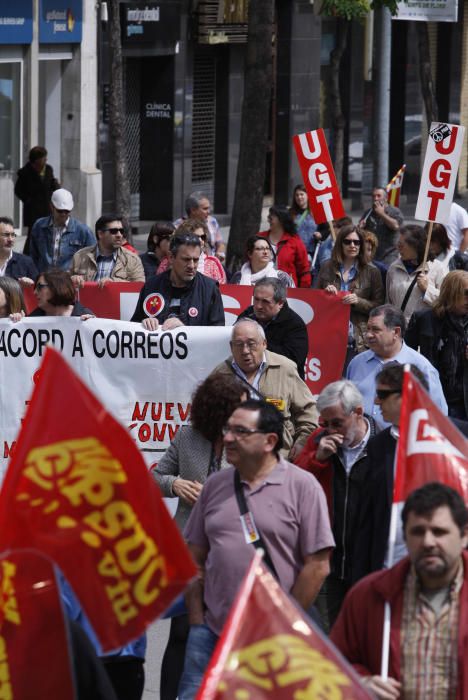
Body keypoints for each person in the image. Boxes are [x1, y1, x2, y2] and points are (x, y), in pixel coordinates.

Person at [179, 399, 334, 699]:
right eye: (227, 429)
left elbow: (318, 565)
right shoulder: (215, 486)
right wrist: (197, 621)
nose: (227, 438)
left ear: (270, 441)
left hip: (273, 642)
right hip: (211, 635)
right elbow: (194, 556)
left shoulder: (303, 487)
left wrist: (285, 621)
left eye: (239, 431)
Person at [154, 374, 246, 700]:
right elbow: (154, 477)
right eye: (232, 411)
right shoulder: (187, 436)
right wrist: (174, 484)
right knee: (182, 629)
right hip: (189, 548)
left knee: (222, 632)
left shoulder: (244, 441)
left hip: (229, 551)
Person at [331, 482, 468, 699]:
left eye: (439, 532)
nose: (428, 542)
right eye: (418, 531)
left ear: (464, 535)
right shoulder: (369, 596)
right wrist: (361, 683)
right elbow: (331, 666)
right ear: (404, 536)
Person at [295, 380, 379, 629]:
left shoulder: (380, 445)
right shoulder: (318, 441)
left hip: (366, 563)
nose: (331, 431)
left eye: (337, 423)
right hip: (327, 561)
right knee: (327, 640)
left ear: (358, 413)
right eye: (326, 424)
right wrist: (316, 459)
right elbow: (293, 486)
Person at [209, 318, 317, 458]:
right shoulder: (220, 374)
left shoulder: (285, 368)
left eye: (251, 344)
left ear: (264, 344)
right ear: (231, 347)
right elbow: (205, 417)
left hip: (278, 459)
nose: (245, 351)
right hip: (232, 462)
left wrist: (302, 442)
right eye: (239, 344)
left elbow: (308, 412)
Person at [346, 304, 447, 426]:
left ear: (396, 332)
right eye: (368, 329)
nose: (368, 335)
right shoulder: (356, 363)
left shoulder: (422, 368)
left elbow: (438, 417)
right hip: (361, 443)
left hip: (400, 443)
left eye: (376, 329)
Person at [406, 270, 468, 420]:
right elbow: (406, 356)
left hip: (464, 404)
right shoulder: (424, 318)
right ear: (451, 292)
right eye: (466, 293)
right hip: (432, 398)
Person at [131, 232, 225, 330]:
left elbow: (216, 333)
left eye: (196, 260)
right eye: (186, 259)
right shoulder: (151, 286)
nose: (191, 266)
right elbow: (133, 328)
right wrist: (143, 324)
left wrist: (184, 329)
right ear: (171, 258)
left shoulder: (210, 290)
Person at [317, 226, 384, 360]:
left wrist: (358, 301)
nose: (352, 245)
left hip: (358, 338)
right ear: (340, 243)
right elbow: (315, 301)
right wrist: (325, 294)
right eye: (347, 242)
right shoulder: (326, 267)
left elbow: (379, 307)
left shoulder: (372, 271)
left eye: (357, 242)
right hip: (330, 335)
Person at [238, 277, 308, 379]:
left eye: (265, 302)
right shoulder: (248, 315)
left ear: (280, 303)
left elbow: (293, 361)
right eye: (256, 299)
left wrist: (258, 344)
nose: (258, 306)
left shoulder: (295, 325)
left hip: (283, 384)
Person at [386, 225, 446, 324]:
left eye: (401, 245)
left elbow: (445, 304)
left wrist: (427, 289)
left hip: (423, 331)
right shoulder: (394, 268)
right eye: (398, 245)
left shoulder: (438, 268)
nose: (398, 249)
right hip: (397, 329)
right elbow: (388, 302)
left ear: (415, 246)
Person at [30, 188, 96, 272]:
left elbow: (93, 258)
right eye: (60, 211)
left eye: (67, 211)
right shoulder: (39, 226)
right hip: (44, 278)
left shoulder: (83, 231)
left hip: (69, 280)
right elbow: (33, 255)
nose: (63, 214)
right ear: (51, 206)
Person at [70, 215, 145, 285]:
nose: (119, 235)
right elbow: (67, 285)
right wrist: (72, 279)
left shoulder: (132, 259)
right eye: (114, 231)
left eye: (121, 231)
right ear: (100, 234)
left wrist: (114, 283)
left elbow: (139, 287)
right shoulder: (80, 256)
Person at [14, 145, 60, 253]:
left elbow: (52, 184)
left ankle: (47, 255)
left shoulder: (48, 169)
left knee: (48, 233)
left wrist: (56, 188)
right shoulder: (25, 173)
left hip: (47, 208)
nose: (46, 160)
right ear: (37, 160)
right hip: (33, 211)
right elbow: (18, 190)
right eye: (44, 158)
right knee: (33, 234)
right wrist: (28, 200)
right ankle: (27, 256)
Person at [156, 219, 226, 283]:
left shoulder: (213, 262)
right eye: (195, 237)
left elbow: (222, 290)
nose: (200, 240)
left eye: (203, 237)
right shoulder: (167, 262)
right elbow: (159, 285)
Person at [258, 205, 311, 287]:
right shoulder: (260, 238)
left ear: (281, 220)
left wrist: (303, 293)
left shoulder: (295, 241)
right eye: (269, 217)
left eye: (271, 217)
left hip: (288, 292)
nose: (269, 220)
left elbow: (304, 270)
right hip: (262, 289)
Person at [358, 187, 403, 264]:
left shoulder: (395, 212)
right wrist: (359, 228)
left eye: (379, 196)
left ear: (386, 198)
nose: (375, 198)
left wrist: (381, 214)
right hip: (372, 256)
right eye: (374, 196)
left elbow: (396, 226)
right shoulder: (368, 213)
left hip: (389, 256)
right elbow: (360, 233)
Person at [174, 192, 225, 259]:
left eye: (209, 208)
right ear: (193, 210)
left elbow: (220, 243)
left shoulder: (212, 221)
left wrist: (219, 254)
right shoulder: (178, 226)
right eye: (205, 209)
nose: (209, 211)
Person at [230, 235, 294, 287]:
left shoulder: (281, 277)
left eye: (267, 248)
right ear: (249, 254)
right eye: (260, 249)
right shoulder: (238, 277)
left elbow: (292, 301)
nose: (265, 252)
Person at [29, 268, 94, 318]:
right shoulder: (33, 318)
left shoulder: (84, 315)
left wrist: (90, 325)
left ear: (56, 287)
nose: (35, 292)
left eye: (40, 287)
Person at [0, 216, 37, 286]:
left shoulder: (25, 262)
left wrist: (31, 284)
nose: (10, 239)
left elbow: (38, 290)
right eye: (6, 235)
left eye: (13, 235)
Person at [289, 184, 318, 258]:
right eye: (297, 195)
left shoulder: (316, 212)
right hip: (295, 251)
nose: (299, 197)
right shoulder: (290, 213)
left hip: (312, 252)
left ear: (307, 195)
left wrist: (320, 234)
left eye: (302, 194)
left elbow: (325, 228)